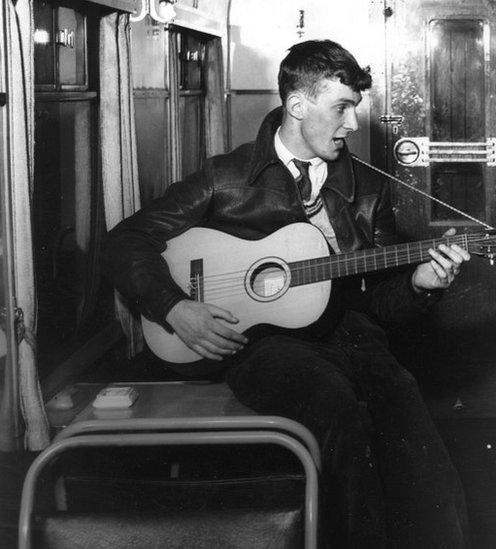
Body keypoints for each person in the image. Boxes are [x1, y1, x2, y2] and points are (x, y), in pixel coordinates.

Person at [104, 40, 470, 548]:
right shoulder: (225, 178)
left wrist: (418, 285)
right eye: (341, 108)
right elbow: (126, 241)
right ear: (297, 106)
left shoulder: (367, 188)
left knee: (408, 414)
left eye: (354, 109)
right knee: (337, 411)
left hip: (350, 334)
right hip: (260, 344)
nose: (353, 125)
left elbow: (383, 303)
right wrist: (175, 305)